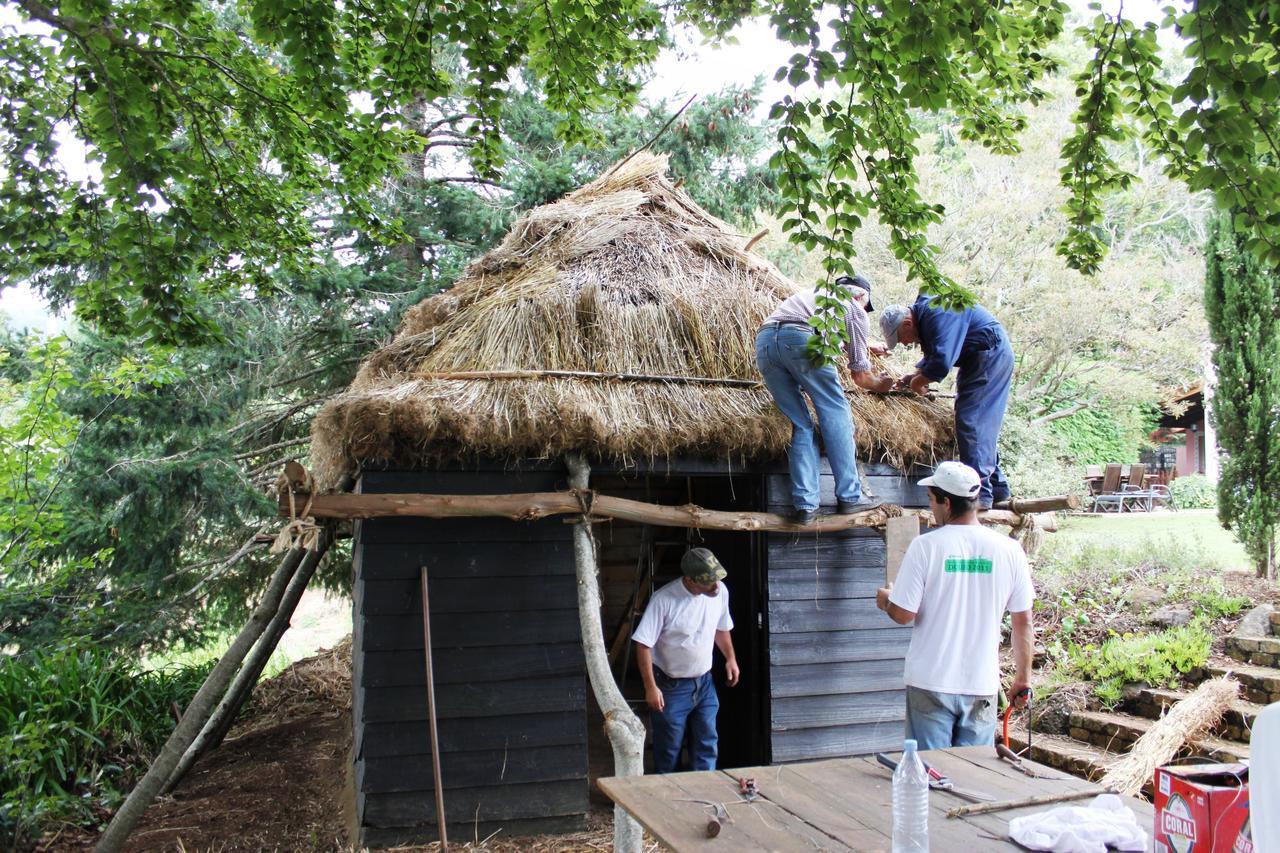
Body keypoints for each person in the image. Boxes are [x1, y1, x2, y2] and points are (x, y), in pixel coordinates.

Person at [874, 461, 1034, 750]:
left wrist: (886, 599)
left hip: (931, 682)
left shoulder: (926, 547)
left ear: (946, 502)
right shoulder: (1010, 551)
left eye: (932, 500)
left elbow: (903, 613)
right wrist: (1023, 678)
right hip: (981, 684)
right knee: (973, 780)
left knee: (932, 775)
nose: (932, 507)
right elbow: (1023, 621)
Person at [755, 274, 894, 524]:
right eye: (866, 305)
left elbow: (802, 331)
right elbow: (861, 377)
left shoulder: (813, 296)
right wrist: (881, 385)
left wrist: (865, 347)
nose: (865, 311)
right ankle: (850, 497)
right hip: (802, 339)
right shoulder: (853, 307)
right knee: (835, 411)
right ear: (860, 295)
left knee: (801, 424)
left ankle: (806, 506)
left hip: (765, 342)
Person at [878, 294, 1015, 509]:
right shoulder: (928, 317)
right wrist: (913, 377)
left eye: (900, 338)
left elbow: (941, 362)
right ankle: (997, 487)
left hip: (989, 355)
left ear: (907, 323)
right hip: (977, 358)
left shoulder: (936, 312)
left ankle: (981, 494)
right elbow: (934, 356)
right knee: (973, 420)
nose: (904, 344)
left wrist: (917, 383)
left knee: (972, 421)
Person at [632, 547, 740, 773]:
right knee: (669, 750)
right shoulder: (664, 599)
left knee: (707, 743)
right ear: (689, 580)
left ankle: (704, 795)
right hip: (670, 686)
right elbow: (643, 644)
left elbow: (721, 627)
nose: (715, 586)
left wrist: (730, 658)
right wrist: (650, 688)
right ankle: (667, 802)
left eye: (717, 579)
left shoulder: (720, 592)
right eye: (708, 582)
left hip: (705, 682)